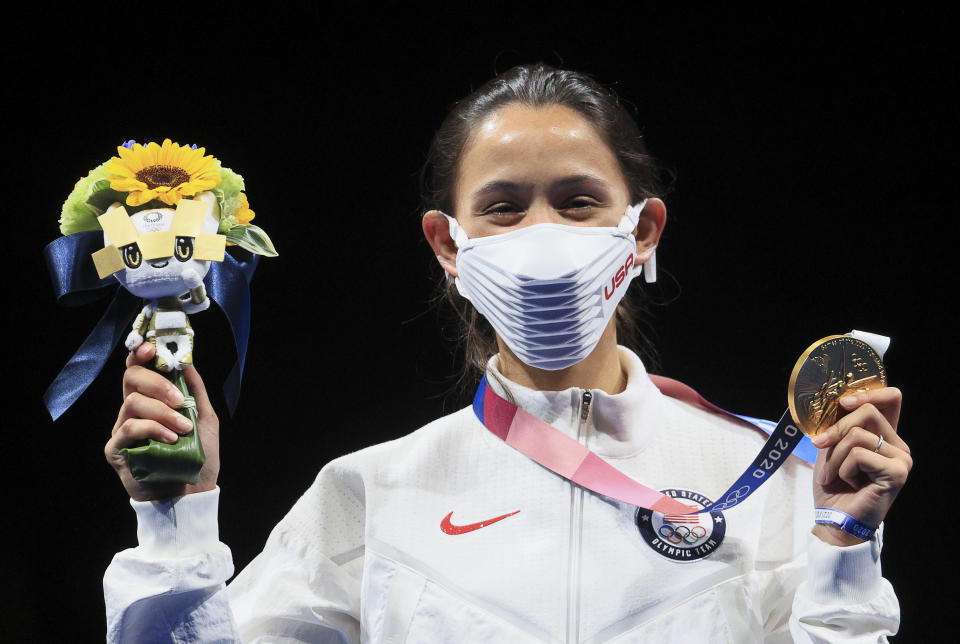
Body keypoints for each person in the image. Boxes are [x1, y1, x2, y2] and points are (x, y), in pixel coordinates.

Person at [103, 64, 911, 642]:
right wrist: (174, 521)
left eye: (577, 201)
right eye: (502, 208)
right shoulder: (368, 493)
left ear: (644, 231)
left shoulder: (778, 483)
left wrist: (843, 549)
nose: (543, 236)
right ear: (447, 245)